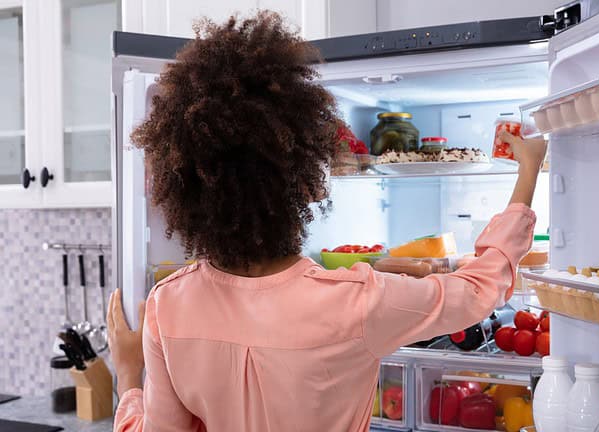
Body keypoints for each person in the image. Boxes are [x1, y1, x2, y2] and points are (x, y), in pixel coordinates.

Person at [107, 11, 547, 432]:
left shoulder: (168, 306)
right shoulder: (357, 303)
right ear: (306, 184)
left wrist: (129, 377)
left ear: (184, 186)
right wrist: (527, 171)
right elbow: (477, 291)